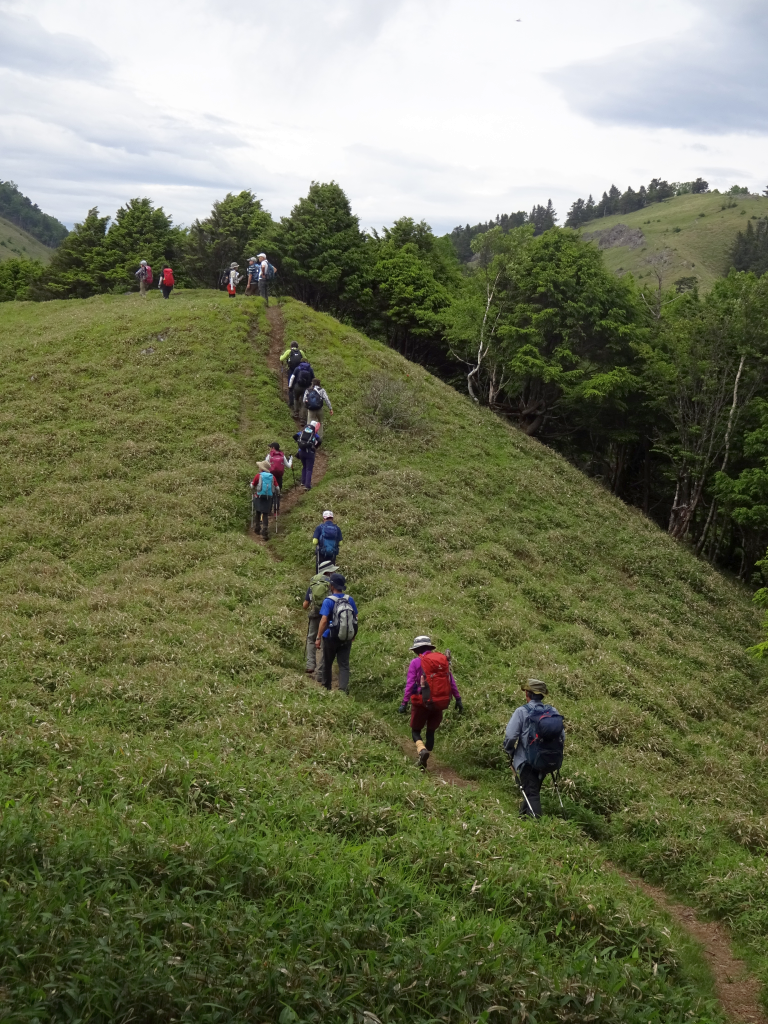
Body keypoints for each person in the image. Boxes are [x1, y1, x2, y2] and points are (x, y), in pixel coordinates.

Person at [398, 636, 463, 770]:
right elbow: (451, 681)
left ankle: (422, 751)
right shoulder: (442, 661)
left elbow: (410, 684)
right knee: (431, 731)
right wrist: (458, 699)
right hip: (439, 701)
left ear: (417, 650)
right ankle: (425, 756)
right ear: (430, 648)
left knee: (416, 731)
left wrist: (404, 703)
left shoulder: (416, 662)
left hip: (421, 702)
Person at [503, 680, 565, 819]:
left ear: (527, 693)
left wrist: (510, 751)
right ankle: (523, 818)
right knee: (532, 789)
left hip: (527, 761)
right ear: (542, 696)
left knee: (531, 792)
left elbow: (511, 736)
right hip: (546, 760)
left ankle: (536, 827)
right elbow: (562, 737)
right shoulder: (552, 712)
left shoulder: (522, 711)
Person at [315, 573, 358, 693]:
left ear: (332, 586)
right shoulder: (350, 599)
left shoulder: (328, 601)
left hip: (330, 636)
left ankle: (326, 688)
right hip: (346, 637)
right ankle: (342, 690)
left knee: (327, 663)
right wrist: (352, 634)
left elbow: (324, 620)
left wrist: (318, 637)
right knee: (344, 665)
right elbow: (355, 617)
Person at [302, 558, 338, 681]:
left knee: (311, 639)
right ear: (328, 572)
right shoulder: (332, 582)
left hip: (314, 614)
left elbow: (305, 604)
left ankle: (310, 664)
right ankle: (320, 672)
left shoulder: (314, 581)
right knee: (324, 642)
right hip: (327, 616)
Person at [250, 460, 277, 539]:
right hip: (268, 498)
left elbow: (252, 486)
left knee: (258, 512)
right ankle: (265, 530)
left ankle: (257, 528)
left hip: (259, 496)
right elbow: (277, 487)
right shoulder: (272, 476)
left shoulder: (258, 475)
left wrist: (251, 484)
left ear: (261, 468)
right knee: (265, 514)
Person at [294, 422, 321, 490]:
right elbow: (320, 441)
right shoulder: (314, 434)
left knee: (304, 466)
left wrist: (299, 443)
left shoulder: (303, 432)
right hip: (309, 453)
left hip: (301, 452)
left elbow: (294, 436)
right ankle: (307, 485)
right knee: (309, 469)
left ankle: (303, 482)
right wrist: (315, 447)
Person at [279, 342, 307, 408]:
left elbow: (281, 359)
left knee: (290, 386)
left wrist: (281, 356)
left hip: (291, 370)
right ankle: (299, 400)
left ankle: (291, 403)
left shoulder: (289, 351)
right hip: (299, 371)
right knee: (299, 384)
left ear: (291, 346)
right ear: (297, 347)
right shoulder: (301, 352)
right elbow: (305, 359)